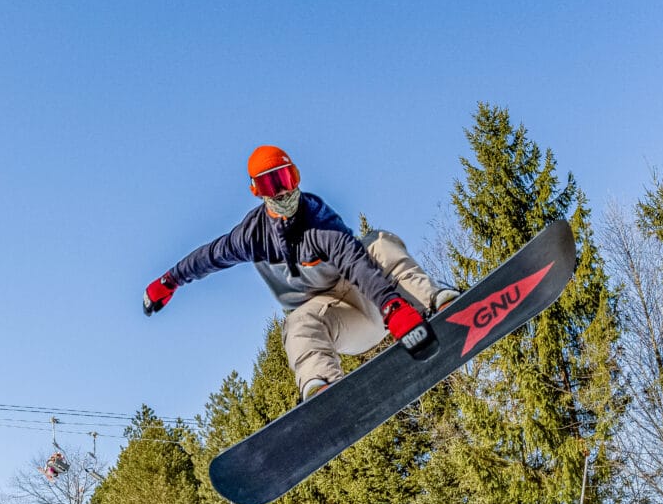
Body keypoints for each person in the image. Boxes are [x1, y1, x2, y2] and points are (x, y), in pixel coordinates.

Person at [142, 145, 458, 403]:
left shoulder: (319, 220)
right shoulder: (252, 236)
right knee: (298, 322)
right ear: (257, 191)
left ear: (297, 177)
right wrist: (168, 282)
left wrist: (393, 308)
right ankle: (321, 387)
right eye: (271, 185)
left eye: (286, 179)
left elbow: (356, 264)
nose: (282, 192)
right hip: (341, 322)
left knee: (377, 244)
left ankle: (434, 300)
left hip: (373, 299)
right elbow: (208, 257)